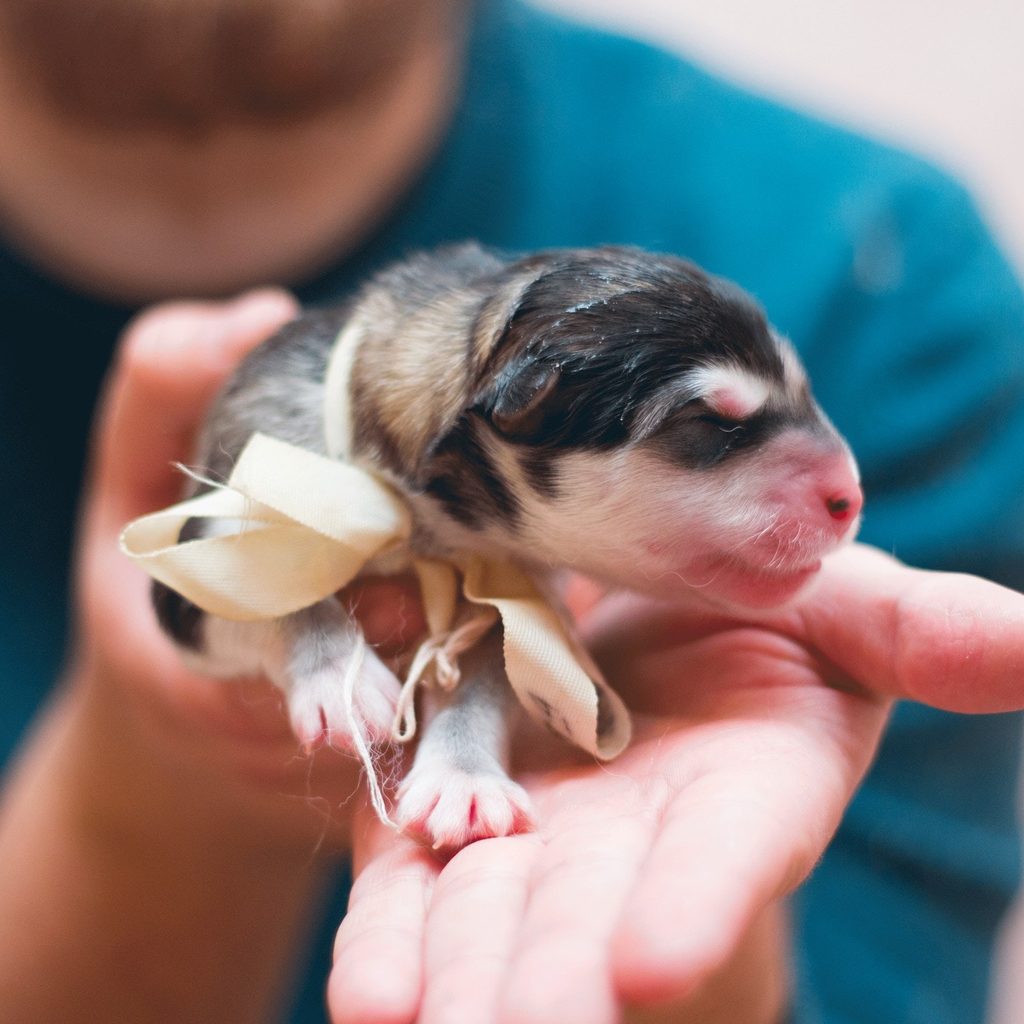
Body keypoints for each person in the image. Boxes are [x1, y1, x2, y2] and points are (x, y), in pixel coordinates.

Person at [0, 1, 1022, 1022]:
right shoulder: (293, 422)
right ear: (514, 424)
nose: (842, 487)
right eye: (709, 430)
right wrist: (186, 764)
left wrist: (692, 977)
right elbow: (238, 575)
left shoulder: (883, 268)